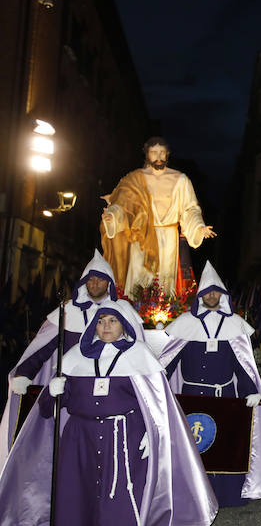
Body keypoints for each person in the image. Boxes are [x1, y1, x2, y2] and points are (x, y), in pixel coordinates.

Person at [0, 299, 217, 525]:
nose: (106, 326)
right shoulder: (75, 356)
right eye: (101, 321)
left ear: (124, 324)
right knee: (76, 495)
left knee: (120, 499)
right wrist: (53, 393)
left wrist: (153, 431)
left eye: (113, 321)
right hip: (79, 440)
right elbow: (46, 411)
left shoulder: (139, 355)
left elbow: (160, 402)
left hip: (124, 439)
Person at [160, 261, 261, 506]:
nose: (212, 296)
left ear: (223, 296)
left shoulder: (234, 325)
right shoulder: (185, 324)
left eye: (216, 292)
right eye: (207, 292)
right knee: (194, 448)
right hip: (192, 396)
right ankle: (194, 496)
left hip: (224, 397)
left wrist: (252, 391)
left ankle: (224, 495)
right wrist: (155, 386)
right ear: (200, 296)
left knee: (224, 447)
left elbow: (242, 364)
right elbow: (169, 362)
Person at [0, 250, 118, 463]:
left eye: (100, 279)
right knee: (64, 449)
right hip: (69, 391)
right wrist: (24, 373)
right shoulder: (67, 312)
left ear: (109, 283)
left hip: (104, 390)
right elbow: (43, 347)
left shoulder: (117, 313)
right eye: (90, 279)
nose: (94, 283)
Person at [101, 136, 215, 297]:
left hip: (168, 239)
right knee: (137, 282)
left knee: (164, 282)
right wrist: (112, 217)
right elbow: (122, 205)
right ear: (147, 154)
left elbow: (190, 209)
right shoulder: (135, 179)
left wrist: (198, 227)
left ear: (167, 154)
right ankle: (134, 313)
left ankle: (161, 315)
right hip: (141, 235)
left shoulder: (180, 180)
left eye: (162, 152)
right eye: (154, 152)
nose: (159, 156)